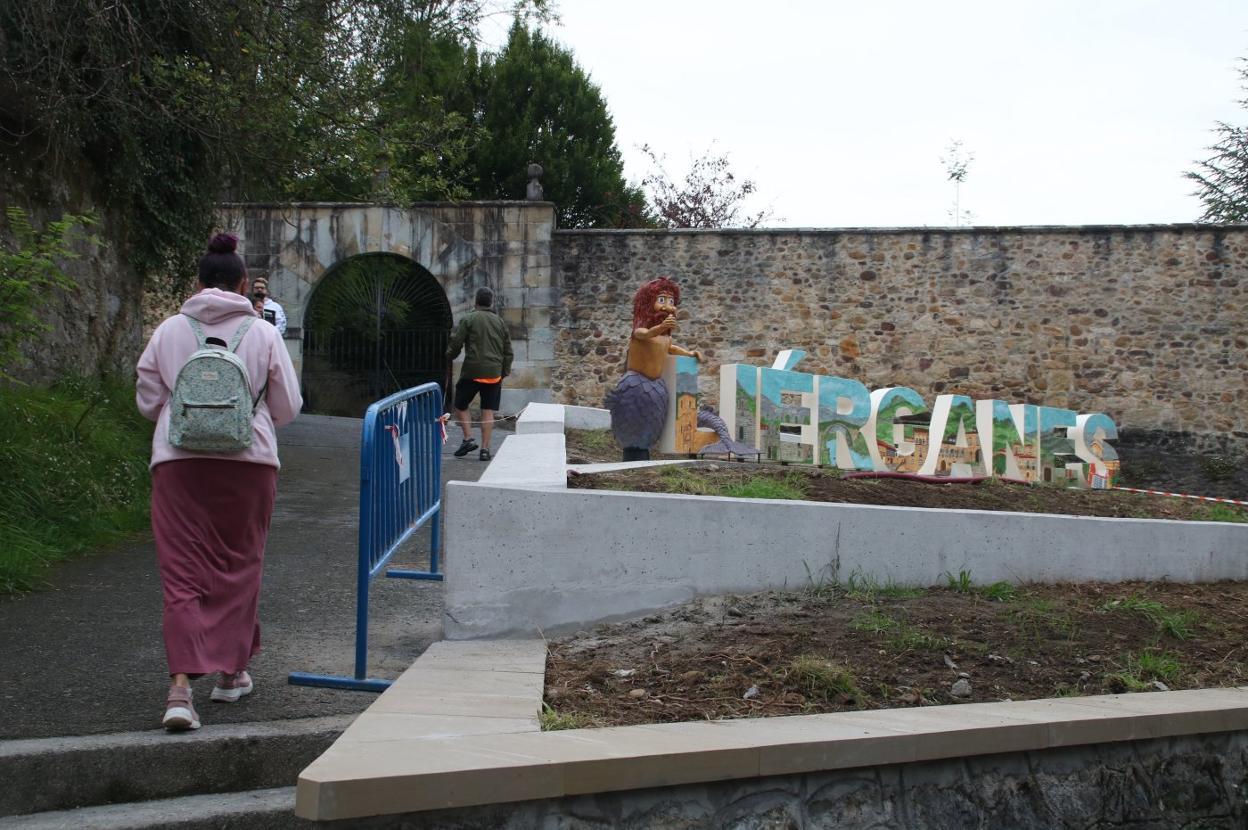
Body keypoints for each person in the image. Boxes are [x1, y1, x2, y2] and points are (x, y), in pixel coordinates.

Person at [136, 233, 303, 732]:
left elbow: (147, 400)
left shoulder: (168, 330)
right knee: (239, 566)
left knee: (183, 575)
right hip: (248, 465)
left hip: (179, 463)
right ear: (240, 285)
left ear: (198, 282)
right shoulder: (263, 334)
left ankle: (181, 692)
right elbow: (287, 409)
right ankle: (230, 674)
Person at [605, 277, 702, 460]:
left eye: (672, 302)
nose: (668, 307)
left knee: (651, 425)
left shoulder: (666, 338)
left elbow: (671, 348)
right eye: (662, 300)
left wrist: (689, 354)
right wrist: (659, 327)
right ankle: (632, 457)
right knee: (632, 423)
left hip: (656, 387)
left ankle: (643, 456)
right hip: (635, 385)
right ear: (647, 303)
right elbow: (644, 334)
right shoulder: (640, 332)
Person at [446, 287, 513, 461]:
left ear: (476, 301)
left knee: (460, 404)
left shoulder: (469, 319)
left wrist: (449, 356)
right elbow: (508, 351)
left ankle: (468, 438)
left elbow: (456, 342)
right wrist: (504, 372)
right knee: (488, 410)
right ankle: (485, 449)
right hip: (494, 374)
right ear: (491, 302)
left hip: (472, 371)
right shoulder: (500, 322)